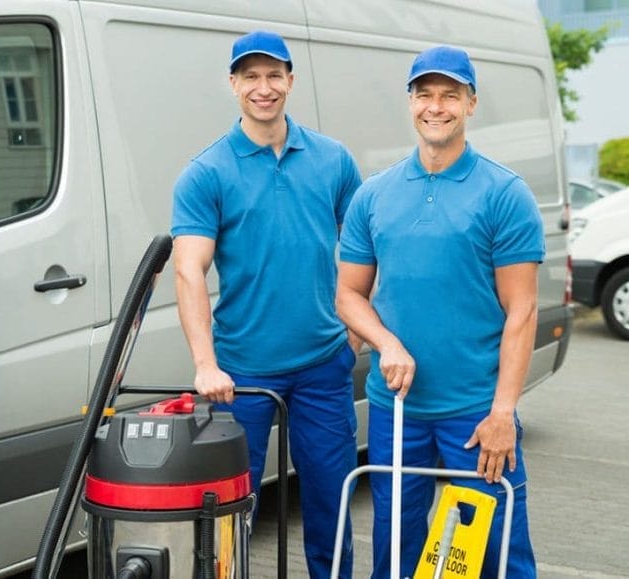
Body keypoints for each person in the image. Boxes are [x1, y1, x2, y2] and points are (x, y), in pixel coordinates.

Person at [336, 45, 541, 578]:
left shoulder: (504, 193)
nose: (436, 106)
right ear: (410, 103)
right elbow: (349, 295)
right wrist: (387, 343)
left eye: (450, 94)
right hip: (396, 409)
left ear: (471, 103)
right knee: (397, 547)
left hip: (476, 411)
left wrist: (502, 414)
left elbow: (521, 311)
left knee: (498, 549)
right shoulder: (374, 195)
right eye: (424, 94)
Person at [171, 30, 362, 578]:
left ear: (291, 81)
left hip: (323, 367)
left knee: (332, 500)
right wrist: (206, 364)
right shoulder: (206, 172)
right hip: (242, 375)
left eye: (274, 75)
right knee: (231, 512)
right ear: (233, 85)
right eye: (250, 76)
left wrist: (351, 333)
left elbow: (363, 251)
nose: (264, 87)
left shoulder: (333, 160)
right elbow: (189, 270)